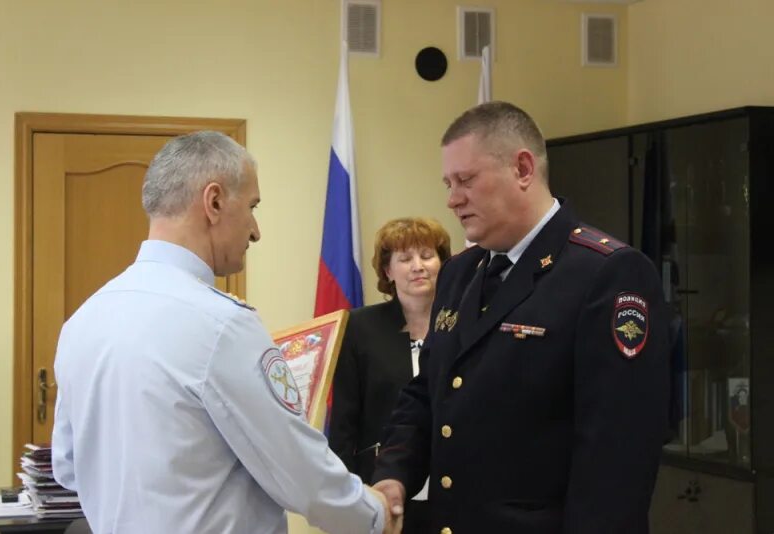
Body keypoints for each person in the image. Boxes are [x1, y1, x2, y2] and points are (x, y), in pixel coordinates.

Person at [51, 131, 399, 534]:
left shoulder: (84, 319)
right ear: (214, 202)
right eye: (252, 206)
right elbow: (297, 469)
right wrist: (374, 515)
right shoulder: (220, 326)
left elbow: (68, 466)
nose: (255, 231)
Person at [371, 102, 671, 534]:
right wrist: (394, 475)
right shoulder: (458, 272)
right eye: (448, 183)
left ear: (523, 169)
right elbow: (427, 394)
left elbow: (617, 456)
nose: (452, 199)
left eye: (466, 180)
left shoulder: (605, 273)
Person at [329, 217, 452, 534]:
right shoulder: (359, 328)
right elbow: (345, 421)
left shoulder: (461, 323)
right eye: (405, 259)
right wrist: (344, 499)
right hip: (383, 489)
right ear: (387, 271)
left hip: (452, 490)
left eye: (427, 255)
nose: (418, 267)